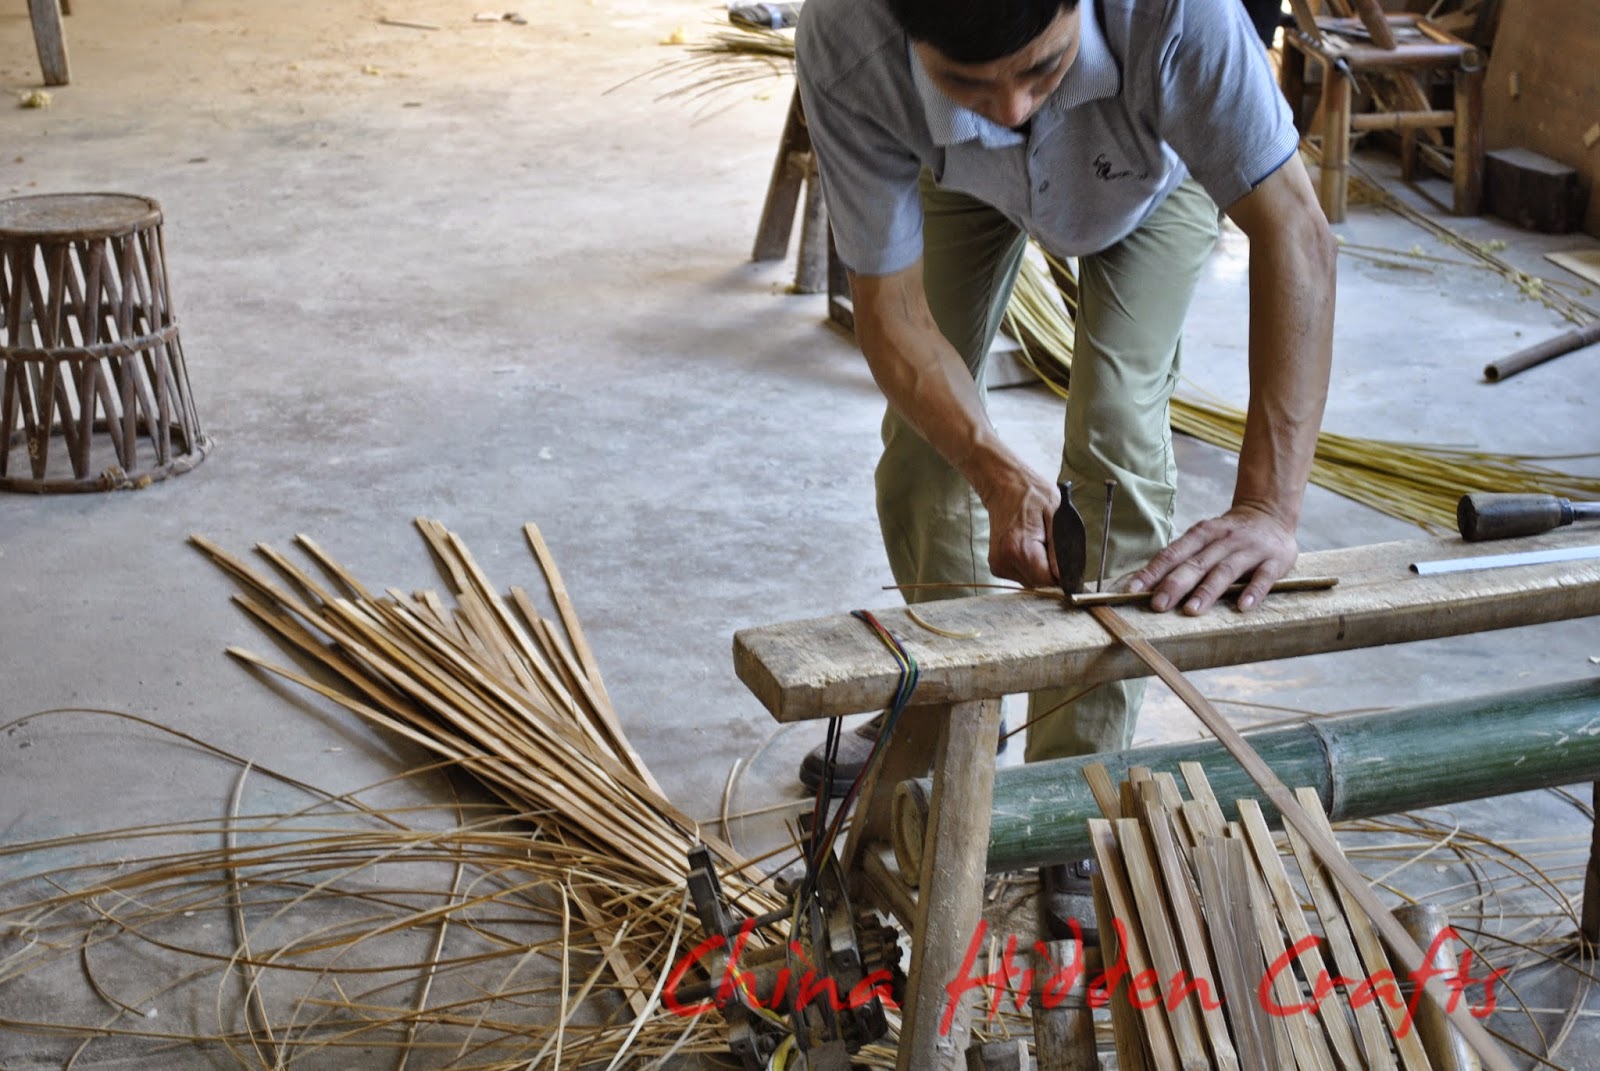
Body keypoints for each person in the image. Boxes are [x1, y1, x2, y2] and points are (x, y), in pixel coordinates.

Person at [792, 0, 1334, 917]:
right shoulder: (848, 40)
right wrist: (999, 473)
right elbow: (890, 315)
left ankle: (1074, 800)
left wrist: (1268, 508)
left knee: (1115, 444)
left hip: (1152, 172)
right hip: (961, 184)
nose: (1007, 109)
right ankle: (941, 727)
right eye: (966, 82)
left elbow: (1297, 234)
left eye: (1040, 71)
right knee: (926, 465)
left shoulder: (1180, 17)